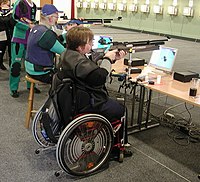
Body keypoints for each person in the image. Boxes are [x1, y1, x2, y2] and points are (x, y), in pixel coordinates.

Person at [57, 26, 132, 157]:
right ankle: (117, 147)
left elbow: (88, 66)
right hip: (87, 103)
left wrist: (110, 58)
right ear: (80, 47)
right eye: (89, 42)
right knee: (121, 109)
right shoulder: (79, 62)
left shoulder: (66, 54)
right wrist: (108, 60)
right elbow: (100, 77)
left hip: (70, 100)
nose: (92, 44)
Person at [25, 4, 65, 84]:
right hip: (41, 72)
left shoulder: (36, 28)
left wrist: (66, 36)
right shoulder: (46, 34)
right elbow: (64, 52)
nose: (57, 19)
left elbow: (52, 42)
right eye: (56, 17)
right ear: (50, 18)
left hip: (30, 69)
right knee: (70, 79)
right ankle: (54, 96)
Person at [9, 0, 37, 98]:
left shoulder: (34, 6)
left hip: (30, 40)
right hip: (19, 39)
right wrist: (28, 26)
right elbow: (13, 20)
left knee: (30, 63)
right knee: (16, 65)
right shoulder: (19, 3)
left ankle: (31, 85)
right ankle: (13, 88)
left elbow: (32, 21)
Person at [0, 0, 15, 70]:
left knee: (11, 50)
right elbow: (2, 21)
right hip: (2, 33)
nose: (7, 6)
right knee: (1, 50)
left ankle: (11, 64)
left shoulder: (11, 12)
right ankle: (0, 63)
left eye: (8, 5)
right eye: (5, 4)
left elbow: (12, 22)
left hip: (10, 33)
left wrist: (10, 15)